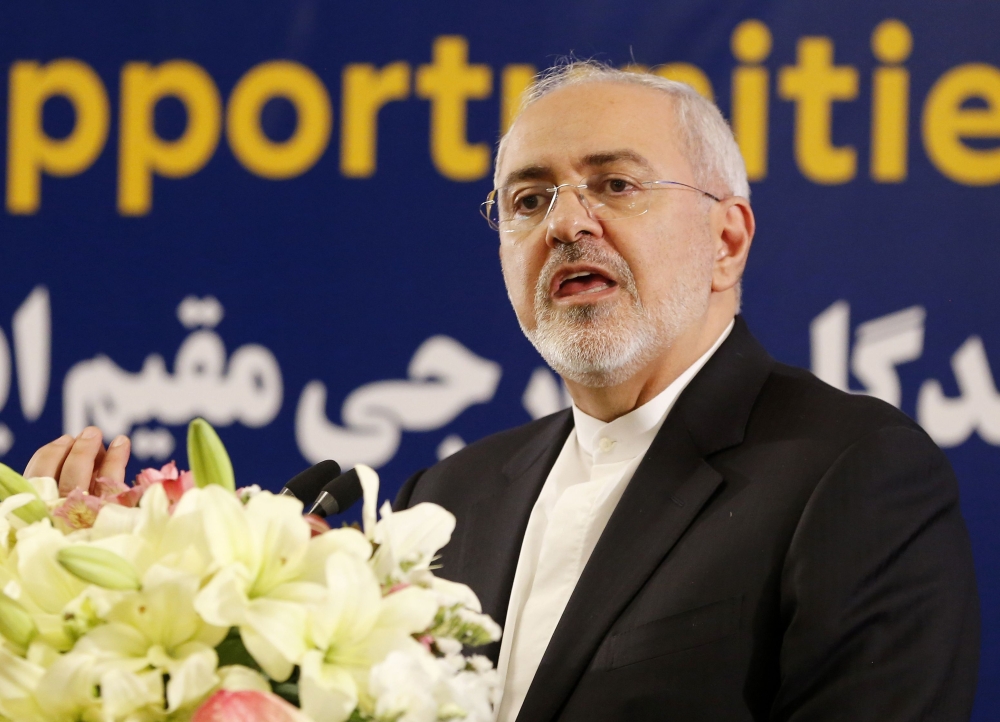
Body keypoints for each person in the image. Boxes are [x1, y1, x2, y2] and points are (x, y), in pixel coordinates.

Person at [30, 61, 979, 721]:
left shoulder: (849, 472)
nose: (568, 223)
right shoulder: (447, 500)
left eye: (614, 185)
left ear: (727, 240)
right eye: (528, 201)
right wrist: (137, 569)